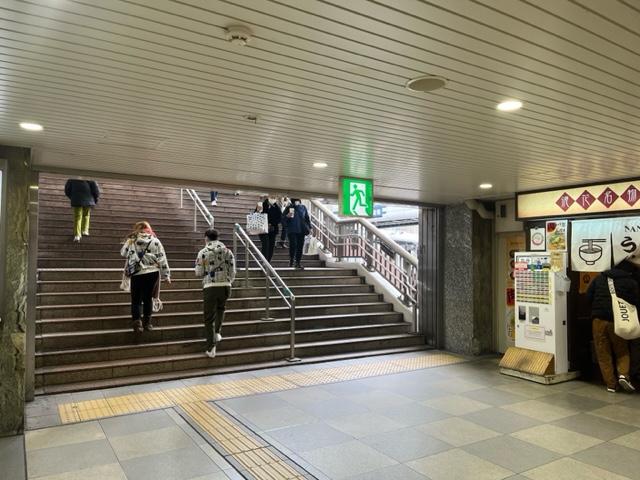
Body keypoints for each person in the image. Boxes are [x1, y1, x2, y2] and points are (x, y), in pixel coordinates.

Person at [586, 260, 639, 393]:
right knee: (622, 350)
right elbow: (636, 301)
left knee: (603, 353)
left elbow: (588, 297)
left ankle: (611, 384)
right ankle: (623, 375)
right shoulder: (630, 282)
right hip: (619, 321)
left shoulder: (599, 279)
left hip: (599, 320)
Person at [120, 222, 171, 334]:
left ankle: (137, 324)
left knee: (136, 300)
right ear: (148, 229)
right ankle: (148, 323)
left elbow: (123, 253)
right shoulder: (155, 241)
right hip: (152, 273)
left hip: (137, 273)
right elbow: (162, 259)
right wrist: (166, 275)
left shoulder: (131, 240)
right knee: (148, 298)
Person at [195, 229, 236, 358]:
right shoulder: (228, 251)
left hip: (210, 286)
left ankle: (211, 347)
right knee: (221, 309)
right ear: (218, 238)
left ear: (206, 238)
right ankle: (217, 332)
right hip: (226, 286)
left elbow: (198, 272)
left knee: (209, 318)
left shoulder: (203, 252)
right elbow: (233, 270)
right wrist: (228, 280)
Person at [282, 198, 311, 269]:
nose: (297, 201)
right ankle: (292, 259)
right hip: (291, 230)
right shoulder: (288, 208)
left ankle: (298, 262)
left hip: (301, 230)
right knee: (293, 244)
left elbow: (307, 218)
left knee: (300, 246)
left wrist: (310, 227)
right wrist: (287, 216)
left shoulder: (303, 207)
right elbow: (282, 218)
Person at [254, 195, 282, 264]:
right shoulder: (262, 205)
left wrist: (272, 223)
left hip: (272, 229)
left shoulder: (277, 208)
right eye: (272, 197)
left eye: (274, 198)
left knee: (271, 246)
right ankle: (264, 261)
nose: (273, 199)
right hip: (262, 229)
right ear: (268, 197)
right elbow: (255, 216)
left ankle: (268, 262)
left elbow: (279, 218)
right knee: (265, 244)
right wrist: (257, 211)